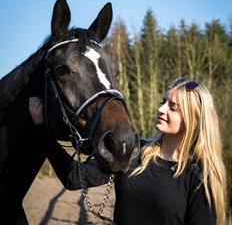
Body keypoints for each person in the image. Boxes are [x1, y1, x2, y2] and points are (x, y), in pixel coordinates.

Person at [29, 77, 227, 225]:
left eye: (173, 107)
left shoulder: (200, 177)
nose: (162, 109)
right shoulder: (132, 151)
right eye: (163, 101)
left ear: (194, 119)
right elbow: (73, 177)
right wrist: (42, 129)